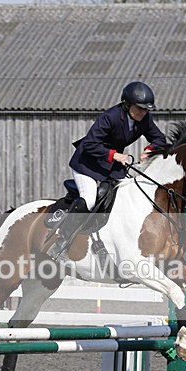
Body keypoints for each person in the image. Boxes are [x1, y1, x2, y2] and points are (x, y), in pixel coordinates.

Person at [47, 81, 167, 260]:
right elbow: (90, 144)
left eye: (146, 109)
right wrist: (115, 155)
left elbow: (159, 138)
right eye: (140, 108)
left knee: (123, 199)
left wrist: (150, 150)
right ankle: (61, 244)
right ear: (127, 104)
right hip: (87, 163)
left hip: (111, 167)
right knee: (89, 199)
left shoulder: (145, 118)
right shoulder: (110, 117)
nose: (143, 112)